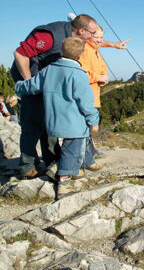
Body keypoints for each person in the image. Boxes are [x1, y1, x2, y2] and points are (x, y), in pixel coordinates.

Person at [11, 14, 129, 179]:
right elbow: (20, 54)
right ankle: (28, 166)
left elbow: (96, 43)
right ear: (81, 31)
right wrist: (29, 83)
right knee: (33, 124)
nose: (95, 37)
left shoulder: (76, 38)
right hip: (33, 79)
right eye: (93, 33)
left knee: (49, 121)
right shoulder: (50, 36)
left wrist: (115, 45)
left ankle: (52, 160)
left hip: (48, 80)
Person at [15, 37, 99, 197]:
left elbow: (32, 86)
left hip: (52, 122)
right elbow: (87, 103)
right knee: (73, 149)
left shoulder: (49, 70)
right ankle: (64, 184)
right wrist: (93, 121)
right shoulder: (79, 74)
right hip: (74, 124)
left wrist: (18, 86)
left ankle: (56, 167)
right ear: (80, 55)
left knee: (65, 149)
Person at [78, 24, 109, 158]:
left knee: (87, 125)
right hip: (86, 93)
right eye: (96, 37)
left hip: (93, 92)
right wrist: (98, 77)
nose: (99, 40)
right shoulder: (84, 50)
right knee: (84, 125)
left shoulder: (95, 50)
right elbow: (80, 73)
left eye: (101, 37)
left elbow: (102, 68)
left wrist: (103, 78)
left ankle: (89, 150)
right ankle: (85, 155)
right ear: (89, 35)